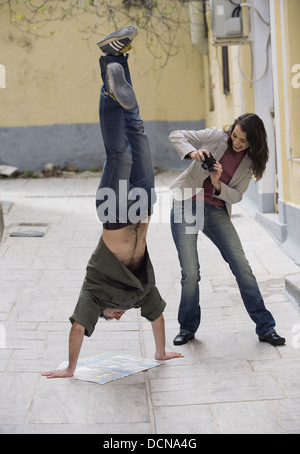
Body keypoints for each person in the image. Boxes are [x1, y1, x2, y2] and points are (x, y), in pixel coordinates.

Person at [42, 26, 182, 379]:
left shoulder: (93, 293)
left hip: (115, 213)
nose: (115, 317)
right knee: (137, 132)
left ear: (100, 312)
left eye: (108, 318)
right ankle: (116, 56)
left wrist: (70, 369)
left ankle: (109, 88)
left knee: (119, 153)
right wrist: (161, 352)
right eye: (116, 317)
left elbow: (77, 328)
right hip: (144, 206)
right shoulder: (140, 295)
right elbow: (158, 315)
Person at [169, 114, 286, 347]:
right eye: (235, 136)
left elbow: (237, 195)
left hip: (215, 211)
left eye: (243, 140)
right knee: (190, 273)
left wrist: (217, 182)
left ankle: (266, 328)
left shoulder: (251, 162)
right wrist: (193, 152)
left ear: (254, 141)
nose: (237, 142)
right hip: (186, 204)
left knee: (242, 267)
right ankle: (187, 328)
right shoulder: (215, 136)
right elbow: (176, 134)